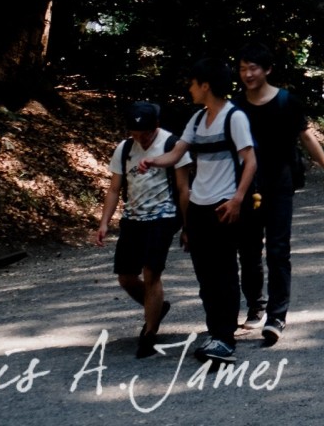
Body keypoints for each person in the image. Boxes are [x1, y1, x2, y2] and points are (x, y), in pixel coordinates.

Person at [140, 58, 256, 365]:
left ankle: (225, 338)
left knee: (224, 273)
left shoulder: (234, 118)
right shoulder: (197, 119)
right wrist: (153, 161)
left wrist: (237, 199)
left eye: (193, 83)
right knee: (205, 276)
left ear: (206, 85)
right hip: (198, 207)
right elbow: (177, 153)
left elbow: (251, 161)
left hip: (224, 206)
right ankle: (215, 332)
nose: (189, 88)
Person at [233, 43, 324, 348]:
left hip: (279, 184)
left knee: (278, 251)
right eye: (242, 69)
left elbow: (307, 137)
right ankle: (256, 304)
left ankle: (276, 316)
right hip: (245, 185)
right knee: (248, 251)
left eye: (253, 68)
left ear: (267, 70)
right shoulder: (236, 105)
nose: (247, 74)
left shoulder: (286, 102)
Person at [94, 101, 192, 358]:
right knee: (126, 277)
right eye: (135, 134)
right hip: (133, 217)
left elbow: (183, 189)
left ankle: (149, 333)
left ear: (156, 126)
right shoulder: (125, 148)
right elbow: (114, 189)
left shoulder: (172, 145)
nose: (141, 140)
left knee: (151, 272)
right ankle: (157, 308)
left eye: (145, 134)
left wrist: (188, 226)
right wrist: (104, 222)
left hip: (164, 216)